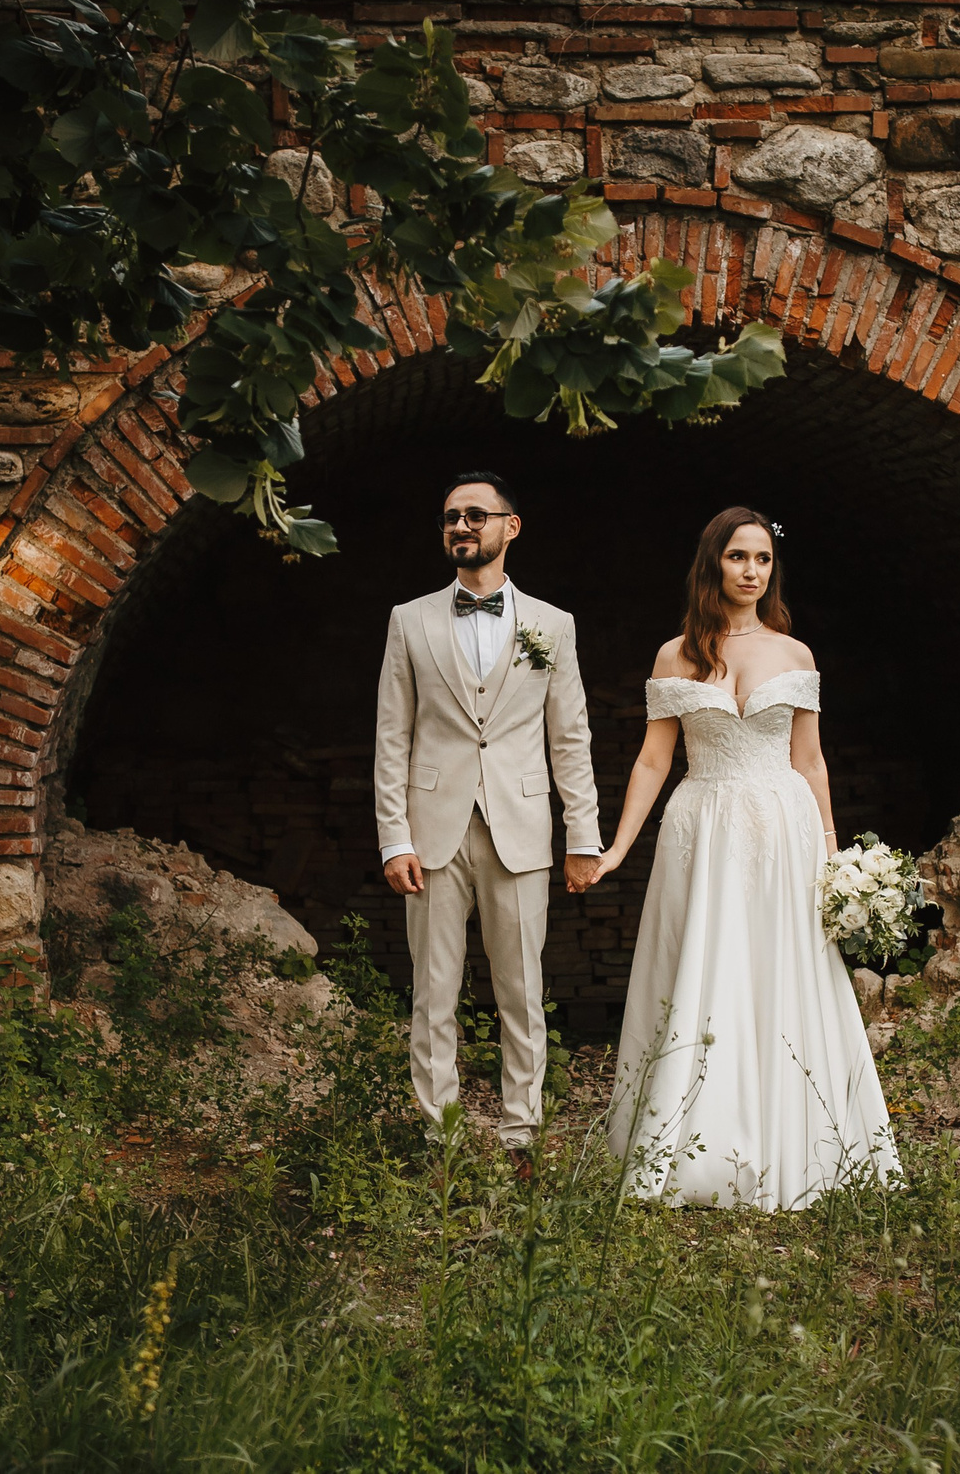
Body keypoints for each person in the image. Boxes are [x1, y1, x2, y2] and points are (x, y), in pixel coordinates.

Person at [590, 507, 900, 1210]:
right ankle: (699, 1148)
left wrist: (835, 859)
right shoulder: (675, 656)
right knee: (706, 967)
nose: (751, 571)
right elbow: (652, 761)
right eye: (737, 557)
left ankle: (796, 1146)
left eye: (762, 559)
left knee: (779, 974)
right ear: (713, 563)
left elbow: (812, 762)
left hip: (781, 827)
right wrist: (615, 849)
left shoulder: (795, 655)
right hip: (703, 825)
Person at [373, 472, 603, 1173]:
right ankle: (438, 1140)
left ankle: (520, 1137)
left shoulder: (552, 625)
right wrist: (393, 837)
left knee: (521, 991)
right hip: (433, 830)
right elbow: (392, 735)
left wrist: (583, 835)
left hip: (523, 827)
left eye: (476, 515)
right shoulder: (408, 620)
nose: (461, 527)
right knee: (432, 992)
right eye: (450, 518)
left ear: (512, 526)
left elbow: (570, 737)